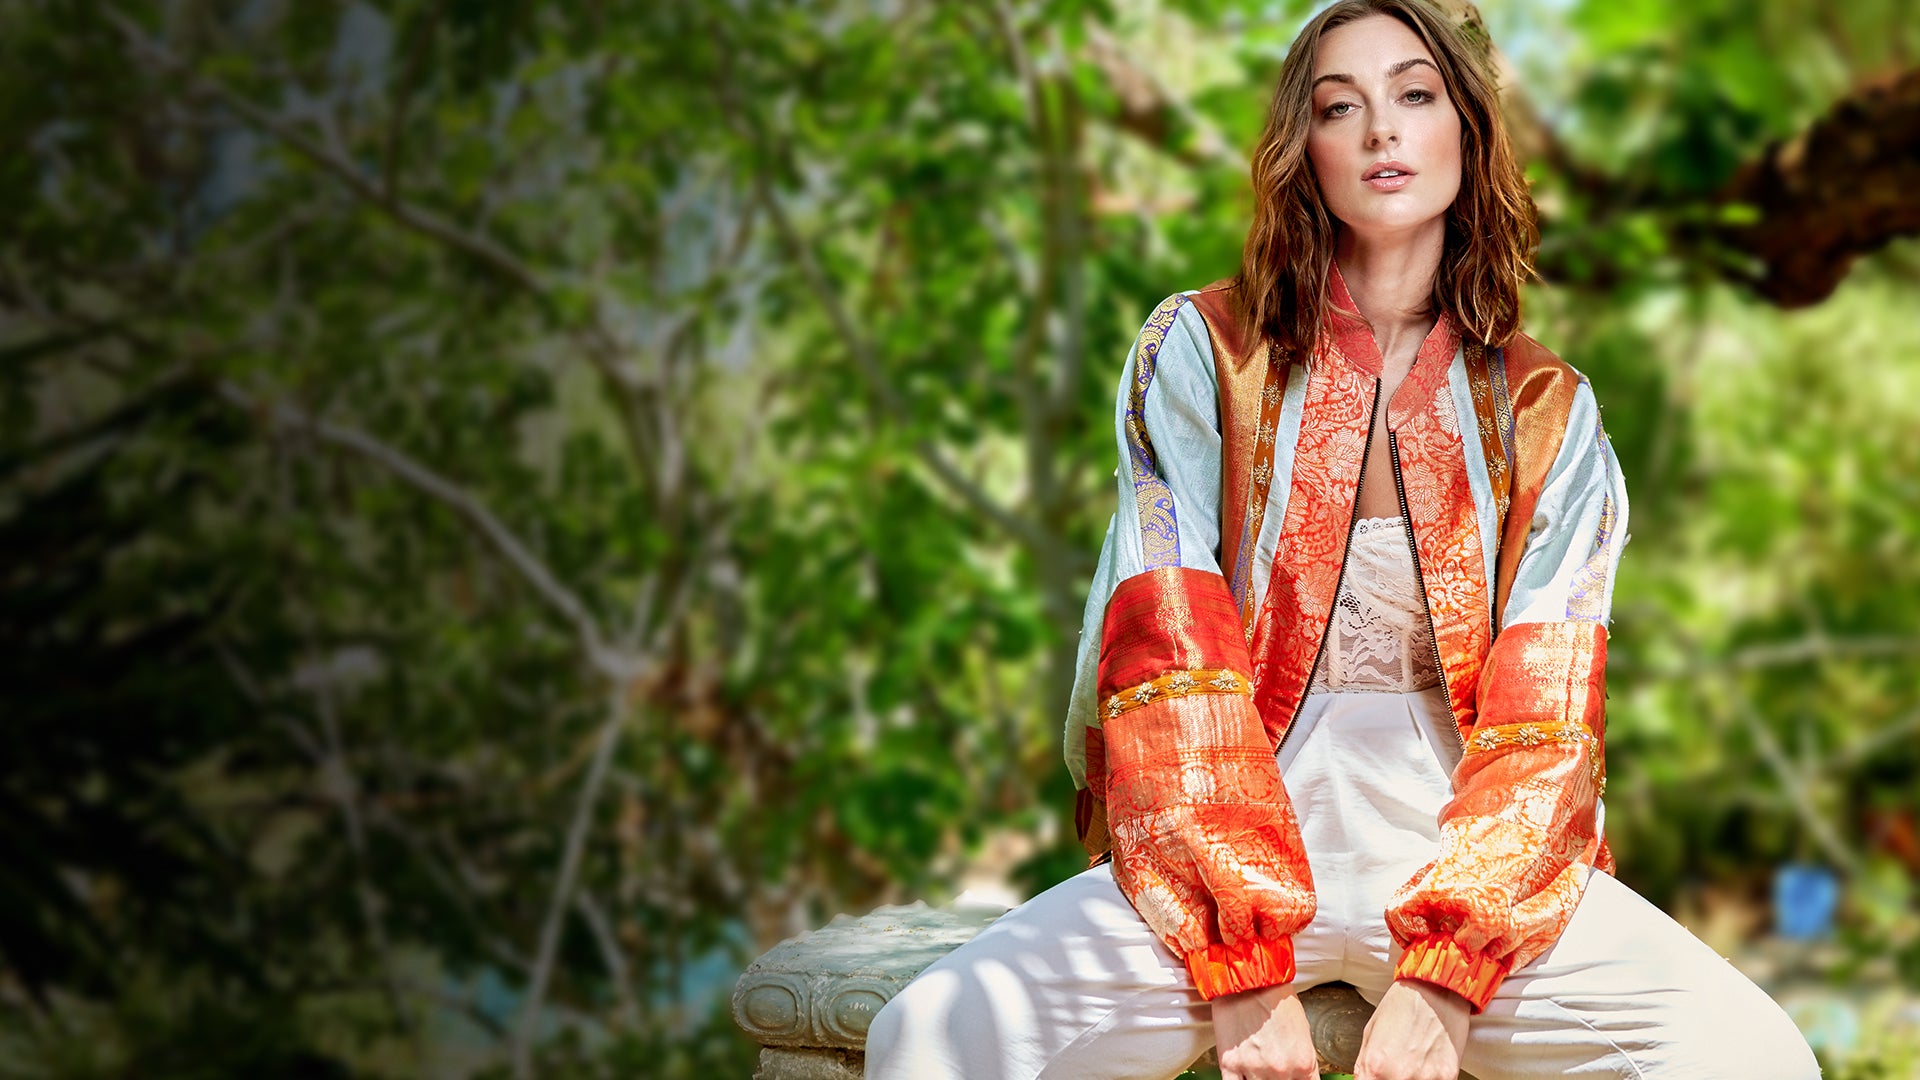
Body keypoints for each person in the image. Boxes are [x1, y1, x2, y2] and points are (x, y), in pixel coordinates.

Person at [865, 2, 1822, 1077]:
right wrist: (1241, 972)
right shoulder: (1200, 351)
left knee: (1754, 1054)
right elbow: (1169, 646)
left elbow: (1548, 717)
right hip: (1228, 849)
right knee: (931, 1037)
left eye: (1414, 95)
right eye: (1339, 106)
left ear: (1465, 128)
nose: (1381, 132)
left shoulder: (1550, 406)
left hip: (1468, 860)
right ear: (1301, 151)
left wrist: (1451, 978)